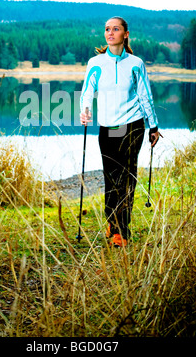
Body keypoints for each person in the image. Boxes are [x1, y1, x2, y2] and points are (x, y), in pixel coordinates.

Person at [80, 16, 161, 247]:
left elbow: (145, 95)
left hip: (132, 125)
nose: (110, 32)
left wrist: (153, 126)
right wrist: (84, 111)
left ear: (125, 34)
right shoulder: (95, 63)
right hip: (108, 127)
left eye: (116, 29)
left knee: (126, 179)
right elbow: (87, 92)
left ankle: (121, 231)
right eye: (107, 29)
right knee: (111, 177)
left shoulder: (136, 63)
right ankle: (111, 220)